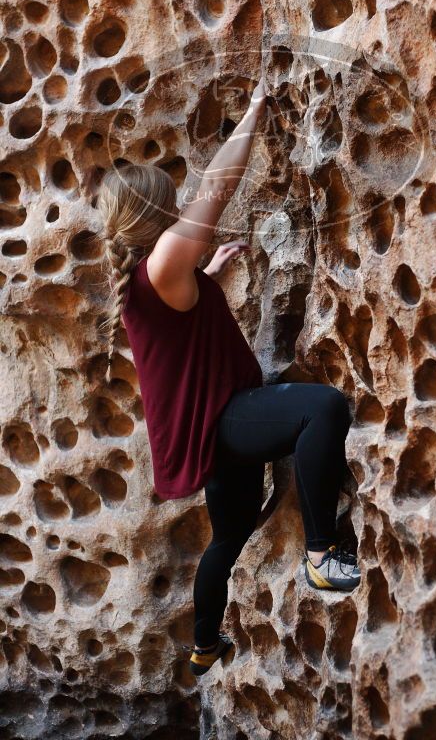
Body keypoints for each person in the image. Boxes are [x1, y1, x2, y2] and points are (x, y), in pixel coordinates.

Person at [96, 75, 361, 677]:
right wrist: (254, 111)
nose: (179, 205)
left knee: (230, 535)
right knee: (321, 409)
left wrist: (209, 271)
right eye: (169, 200)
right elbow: (219, 184)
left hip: (210, 436)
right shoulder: (162, 263)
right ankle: (321, 554)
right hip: (225, 423)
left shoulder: (157, 276)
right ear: (154, 214)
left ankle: (206, 644)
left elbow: (181, 321)